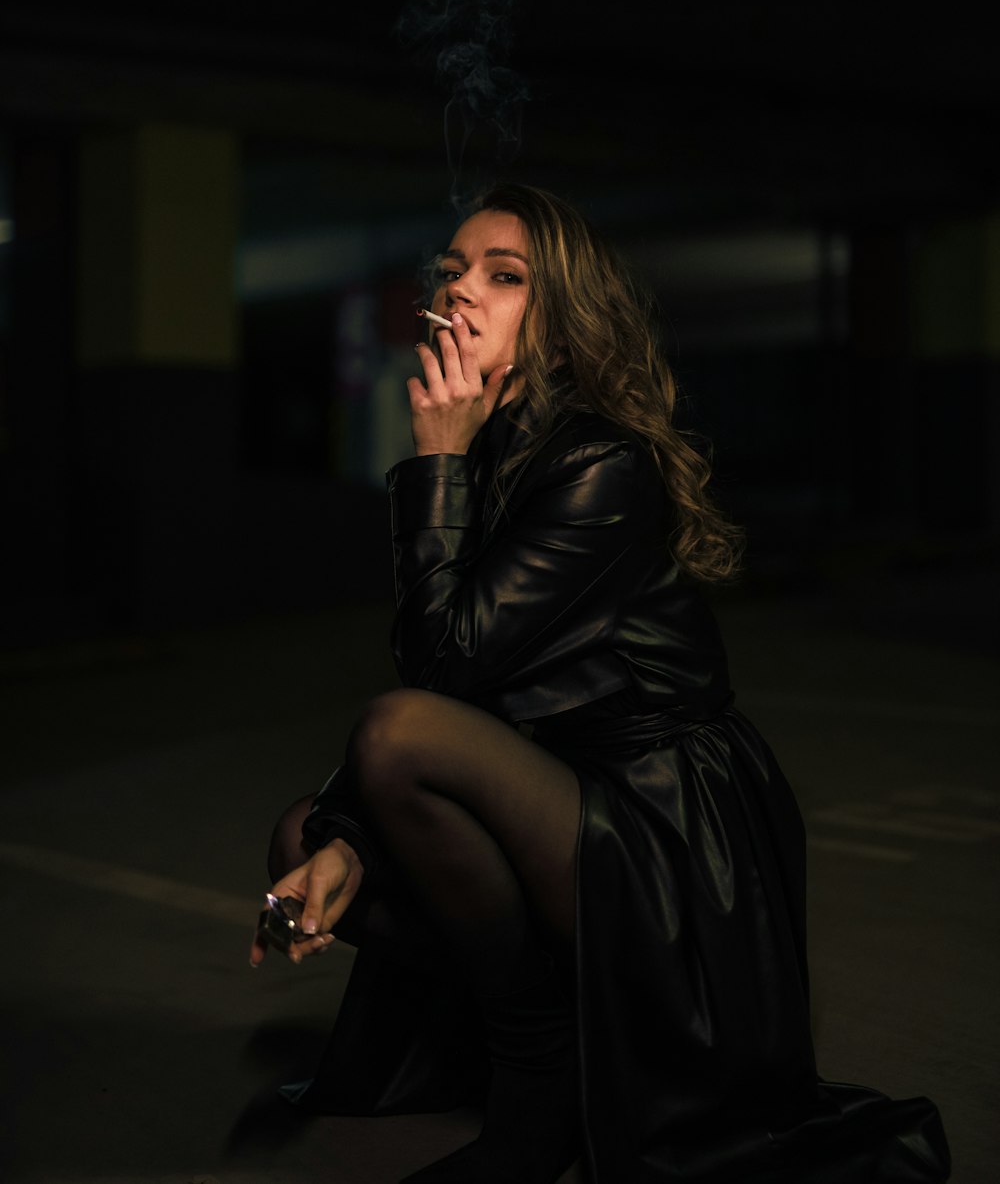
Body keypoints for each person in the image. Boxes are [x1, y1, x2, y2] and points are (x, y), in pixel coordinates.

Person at [250, 184, 950, 1184]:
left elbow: (442, 672)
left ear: (565, 327)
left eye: (505, 276)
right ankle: (548, 1037)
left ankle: (538, 1079)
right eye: (452, 272)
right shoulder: (489, 450)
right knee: (304, 839)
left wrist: (434, 461)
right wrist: (345, 836)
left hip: (668, 822)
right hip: (566, 788)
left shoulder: (595, 463)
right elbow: (471, 688)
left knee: (397, 732)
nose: (463, 291)